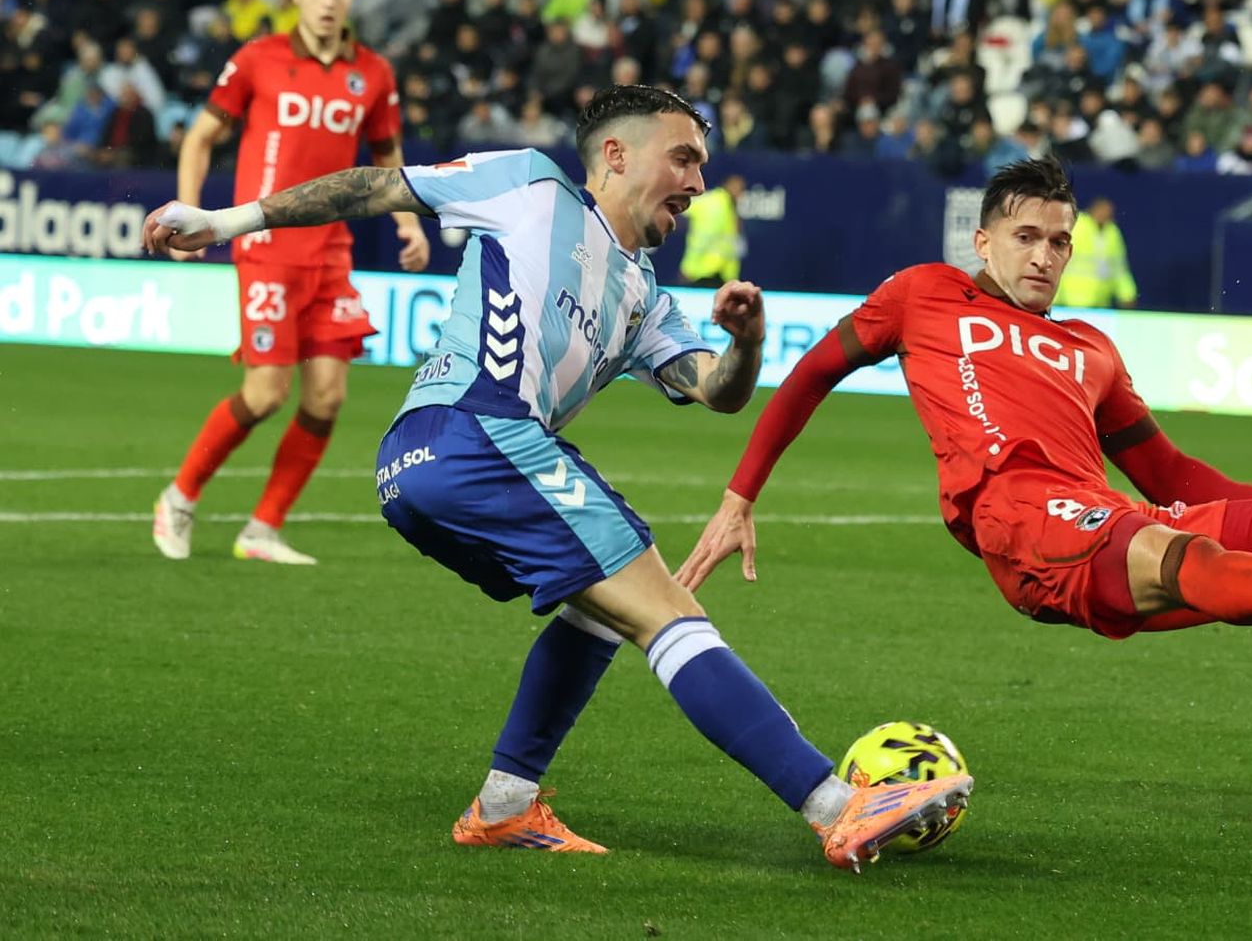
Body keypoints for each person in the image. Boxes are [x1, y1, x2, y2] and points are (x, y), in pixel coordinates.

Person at [141, 84, 972, 871]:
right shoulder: (528, 184)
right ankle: (835, 807)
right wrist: (224, 220)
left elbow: (715, 391)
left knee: (602, 612)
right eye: (682, 158)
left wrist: (746, 341)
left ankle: (506, 803)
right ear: (615, 153)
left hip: (428, 466)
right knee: (666, 607)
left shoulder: (644, 294)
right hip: (474, 433)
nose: (697, 180)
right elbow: (375, 187)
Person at [679, 158, 1252, 826]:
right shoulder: (924, 293)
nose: (1044, 255)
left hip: (1111, 516)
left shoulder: (1090, 347)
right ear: (984, 239)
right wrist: (740, 494)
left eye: (1059, 242)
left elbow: (1171, 477)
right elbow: (814, 373)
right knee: (1179, 549)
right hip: (1021, 521)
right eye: (1026, 237)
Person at [150, 0, 431, 567]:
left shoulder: (374, 75)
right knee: (268, 391)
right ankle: (180, 496)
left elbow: (388, 161)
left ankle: (263, 529)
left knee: (327, 396)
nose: (329, 1)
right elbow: (201, 135)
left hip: (332, 250)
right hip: (265, 245)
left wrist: (409, 222)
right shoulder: (259, 58)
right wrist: (190, 214)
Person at [1051, 196, 1136, 308]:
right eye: (1101, 210)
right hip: (1069, 302)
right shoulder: (1076, 226)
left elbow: (1119, 268)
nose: (1104, 214)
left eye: (1108, 212)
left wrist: (1127, 294)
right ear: (1093, 210)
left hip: (1100, 304)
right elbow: (1058, 260)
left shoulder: (1112, 233)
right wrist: (1053, 296)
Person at [677, 172, 746, 287]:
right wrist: (689, 269)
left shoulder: (728, 205)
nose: (740, 194)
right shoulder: (717, 205)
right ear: (728, 185)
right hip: (705, 272)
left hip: (720, 273)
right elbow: (705, 237)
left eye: (742, 190)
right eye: (738, 188)